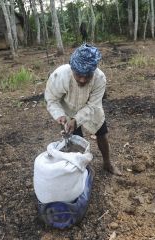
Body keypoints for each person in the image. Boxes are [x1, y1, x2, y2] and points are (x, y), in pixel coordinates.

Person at [44, 44, 122, 175]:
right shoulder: (60, 76)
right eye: (79, 74)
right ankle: (82, 168)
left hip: (91, 109)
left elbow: (93, 105)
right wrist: (60, 116)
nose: (82, 79)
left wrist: (77, 119)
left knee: (102, 133)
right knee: (74, 139)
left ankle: (107, 163)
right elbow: (51, 99)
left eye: (87, 76)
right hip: (67, 109)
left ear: (94, 71)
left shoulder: (100, 78)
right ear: (72, 68)